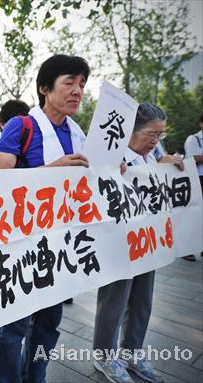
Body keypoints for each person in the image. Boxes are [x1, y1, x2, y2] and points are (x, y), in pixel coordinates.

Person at [0, 54, 91, 383]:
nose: (78, 90)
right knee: (14, 326)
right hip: (21, 246)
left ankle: (36, 377)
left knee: (49, 323)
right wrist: (52, 172)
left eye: (82, 84)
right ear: (45, 88)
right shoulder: (23, 126)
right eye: (69, 82)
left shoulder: (80, 136)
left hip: (61, 247)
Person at [93, 103, 184, 383]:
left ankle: (132, 352)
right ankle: (105, 357)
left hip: (148, 242)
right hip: (119, 243)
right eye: (151, 134)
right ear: (130, 132)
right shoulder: (114, 158)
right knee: (115, 300)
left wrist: (168, 164)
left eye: (161, 135)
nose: (156, 141)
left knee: (142, 299)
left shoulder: (153, 157)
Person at [182, 113, 203, 261]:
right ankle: (185, 249)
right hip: (197, 179)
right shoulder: (193, 139)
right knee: (193, 215)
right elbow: (193, 158)